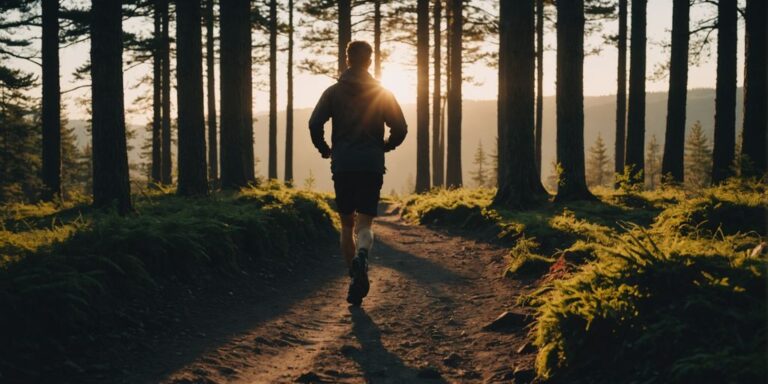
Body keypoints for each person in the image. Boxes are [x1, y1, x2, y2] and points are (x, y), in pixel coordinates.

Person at [308, 41, 407, 306]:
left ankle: (354, 273)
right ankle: (363, 255)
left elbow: (314, 123)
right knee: (365, 224)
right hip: (371, 163)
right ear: (369, 61)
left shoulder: (333, 92)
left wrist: (324, 149)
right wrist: (385, 146)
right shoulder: (382, 93)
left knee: (346, 224)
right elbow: (401, 127)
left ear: (347, 59)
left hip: (343, 164)